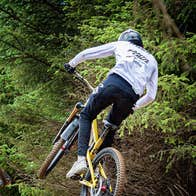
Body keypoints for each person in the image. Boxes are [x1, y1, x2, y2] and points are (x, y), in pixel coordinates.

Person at [64, 29, 158, 179]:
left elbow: (88, 53)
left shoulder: (122, 45)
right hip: (131, 96)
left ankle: (81, 160)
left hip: (114, 83)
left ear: (124, 39)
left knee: (87, 114)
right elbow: (151, 95)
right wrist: (135, 106)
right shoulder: (152, 60)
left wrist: (72, 63)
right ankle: (96, 167)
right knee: (110, 128)